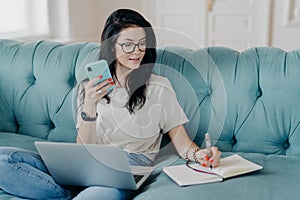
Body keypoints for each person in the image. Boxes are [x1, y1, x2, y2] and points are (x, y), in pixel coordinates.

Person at [0, 9, 221, 200]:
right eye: (128, 45)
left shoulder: (160, 86)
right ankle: (65, 194)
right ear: (111, 47)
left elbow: (182, 143)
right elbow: (84, 147)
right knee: (4, 161)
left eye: (142, 44)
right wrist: (89, 106)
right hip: (88, 162)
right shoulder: (89, 87)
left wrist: (199, 155)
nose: (137, 52)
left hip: (129, 165)